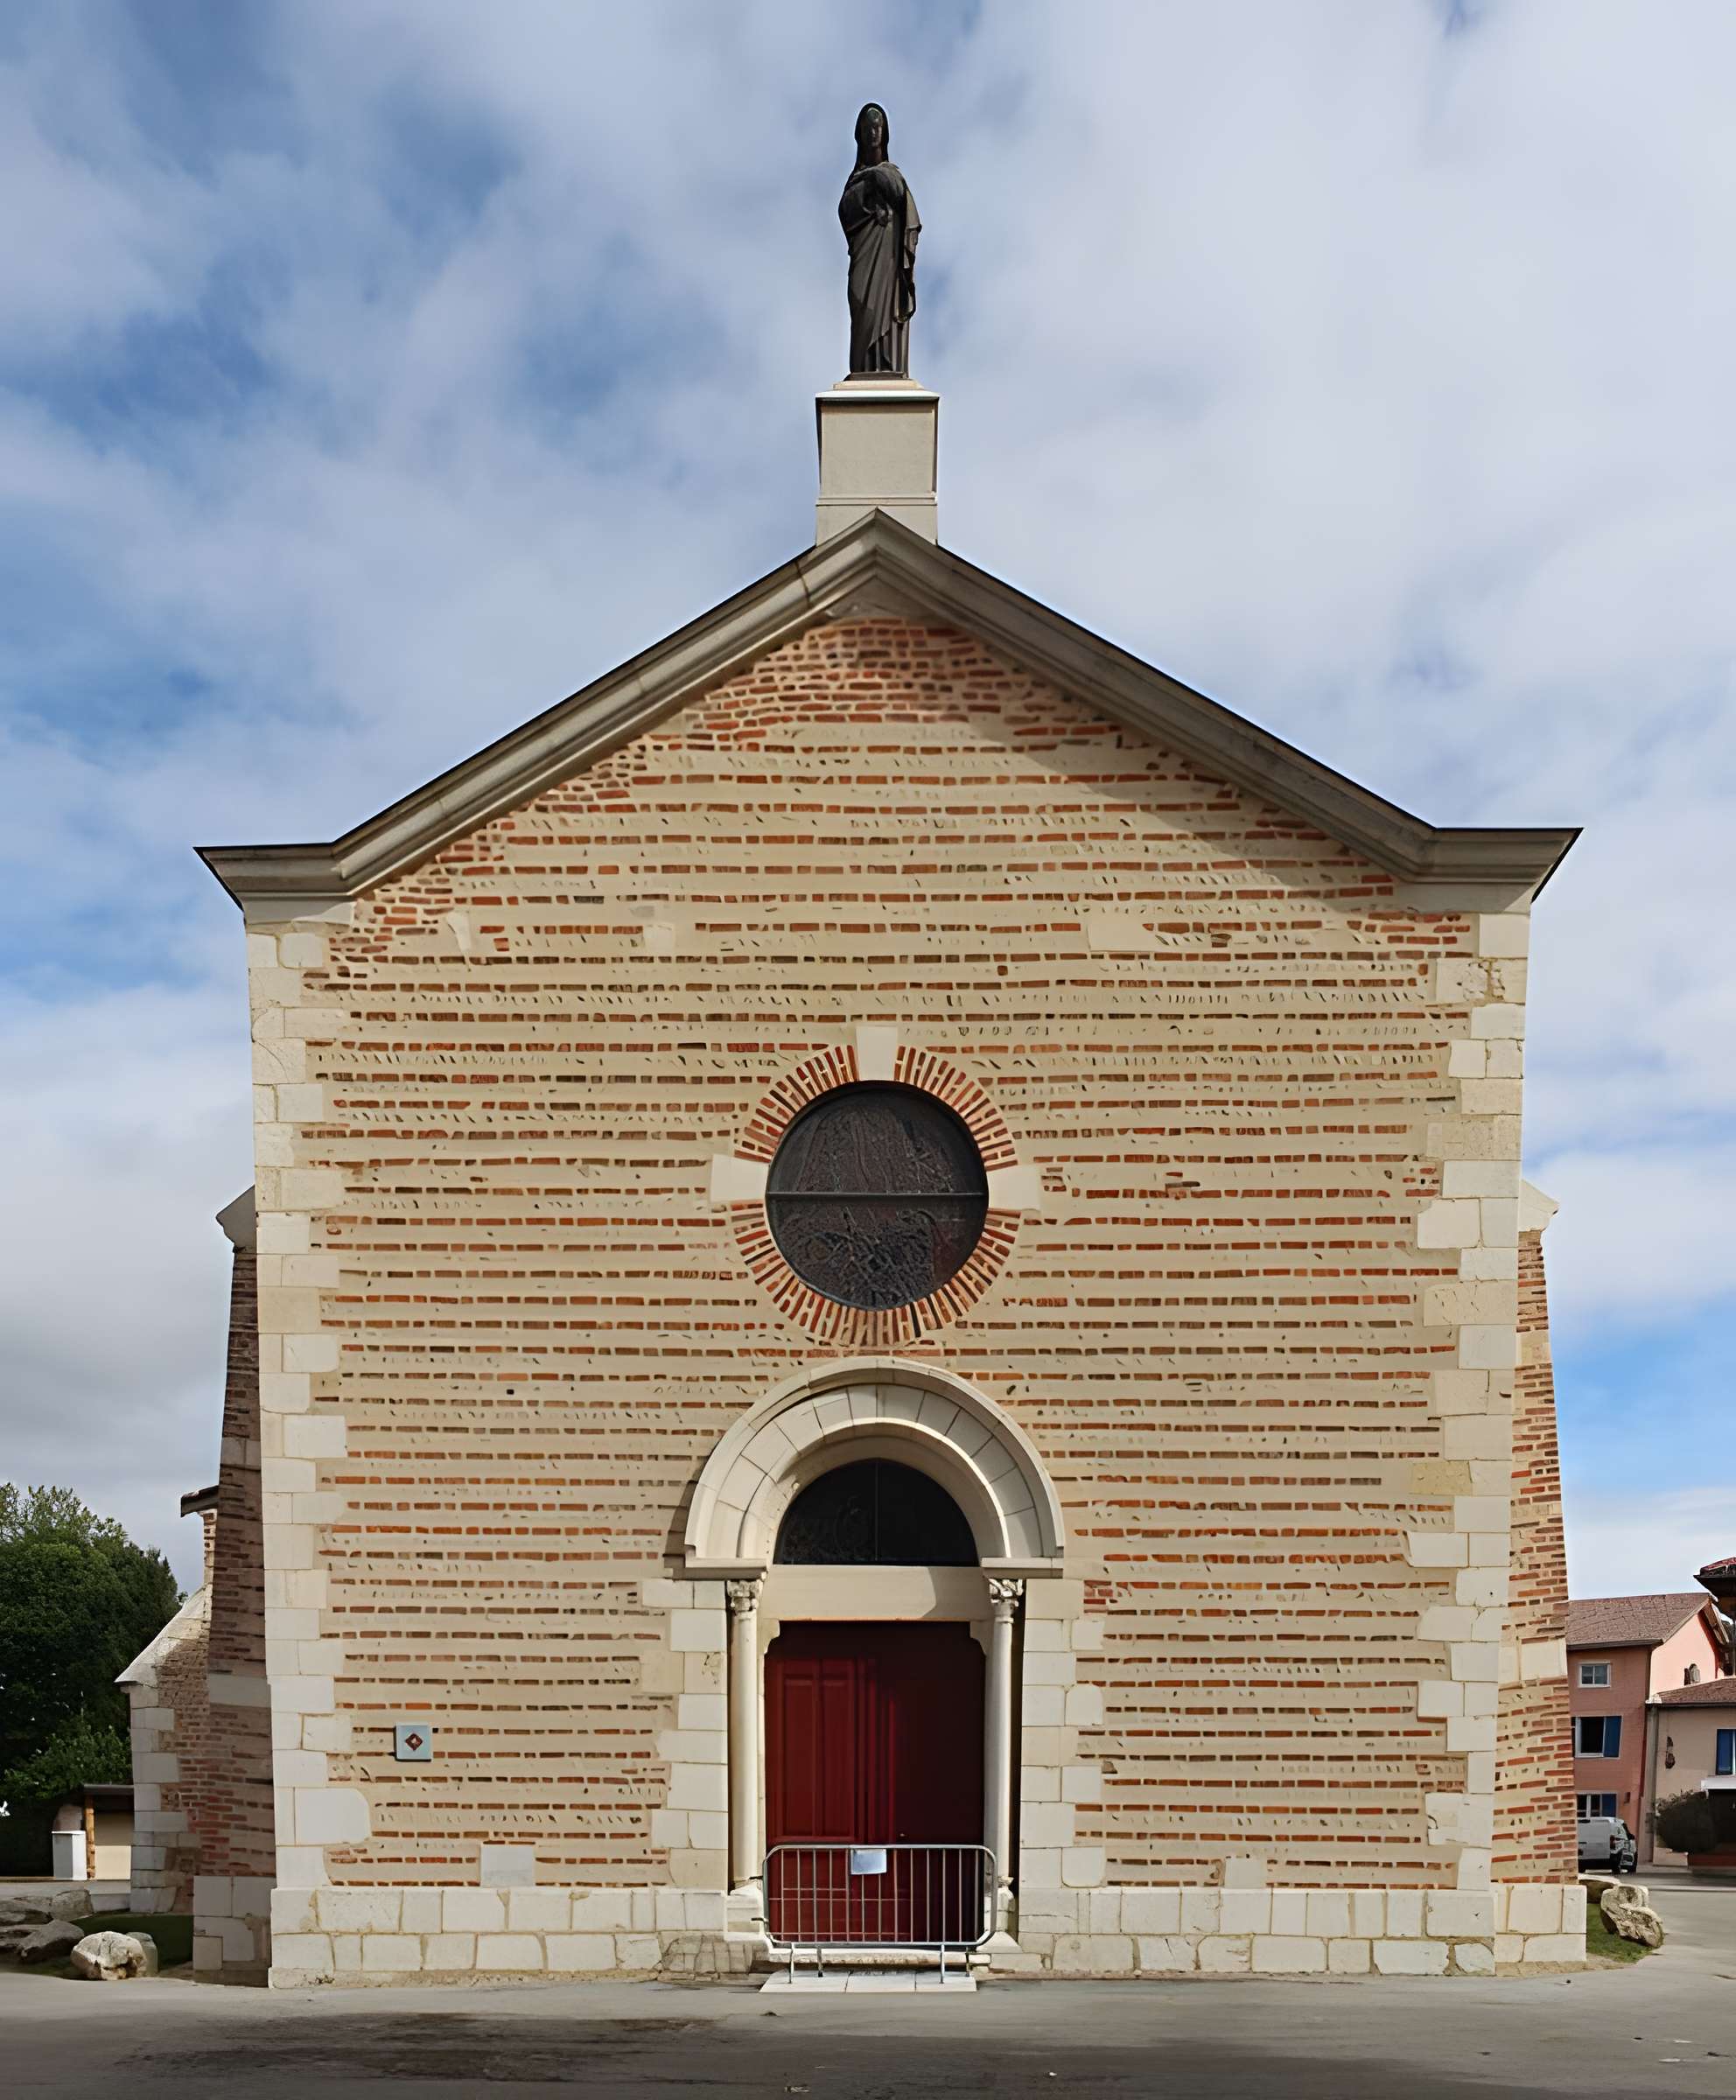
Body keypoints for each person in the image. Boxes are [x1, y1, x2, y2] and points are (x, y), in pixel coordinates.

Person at [839, 102, 920, 375]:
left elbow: (898, 193)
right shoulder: (854, 181)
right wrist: (870, 182)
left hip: (889, 259)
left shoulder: (891, 172)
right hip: (865, 255)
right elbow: (846, 211)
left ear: (884, 133)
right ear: (859, 134)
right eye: (867, 128)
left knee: (887, 310)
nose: (872, 133)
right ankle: (864, 368)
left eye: (877, 127)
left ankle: (888, 364)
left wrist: (876, 176)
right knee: (864, 307)